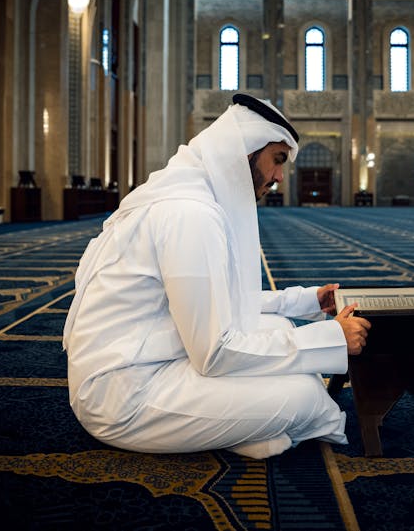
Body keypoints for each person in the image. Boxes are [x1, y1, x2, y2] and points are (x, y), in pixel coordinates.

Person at [62, 93, 371, 459]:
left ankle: (240, 427)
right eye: (277, 161)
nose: (278, 177)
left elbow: (221, 297)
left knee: (282, 329)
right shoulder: (190, 214)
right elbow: (216, 352)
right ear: (245, 152)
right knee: (305, 397)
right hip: (124, 394)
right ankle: (250, 426)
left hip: (156, 355)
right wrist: (331, 339)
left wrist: (308, 301)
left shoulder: (191, 196)